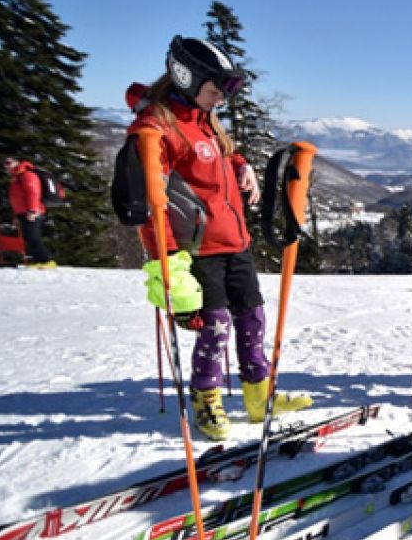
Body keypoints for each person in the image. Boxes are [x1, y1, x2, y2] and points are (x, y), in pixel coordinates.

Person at [127, 35, 312, 440]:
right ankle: (206, 399)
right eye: (216, 90)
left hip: (235, 241)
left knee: (252, 318)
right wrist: (168, 263)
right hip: (199, 248)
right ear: (186, 78)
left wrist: (242, 165)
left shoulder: (201, 116)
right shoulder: (157, 128)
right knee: (216, 325)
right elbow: (148, 203)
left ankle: (258, 396)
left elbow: (219, 154)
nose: (222, 100)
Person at [4, 157, 55, 268]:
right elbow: (17, 199)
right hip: (23, 212)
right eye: (5, 164)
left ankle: (48, 261)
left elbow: (33, 193)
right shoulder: (16, 177)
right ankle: (38, 261)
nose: (6, 166)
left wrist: (33, 210)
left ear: (17, 162)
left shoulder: (27, 175)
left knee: (33, 237)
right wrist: (16, 215)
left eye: (9, 163)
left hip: (32, 212)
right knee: (28, 237)